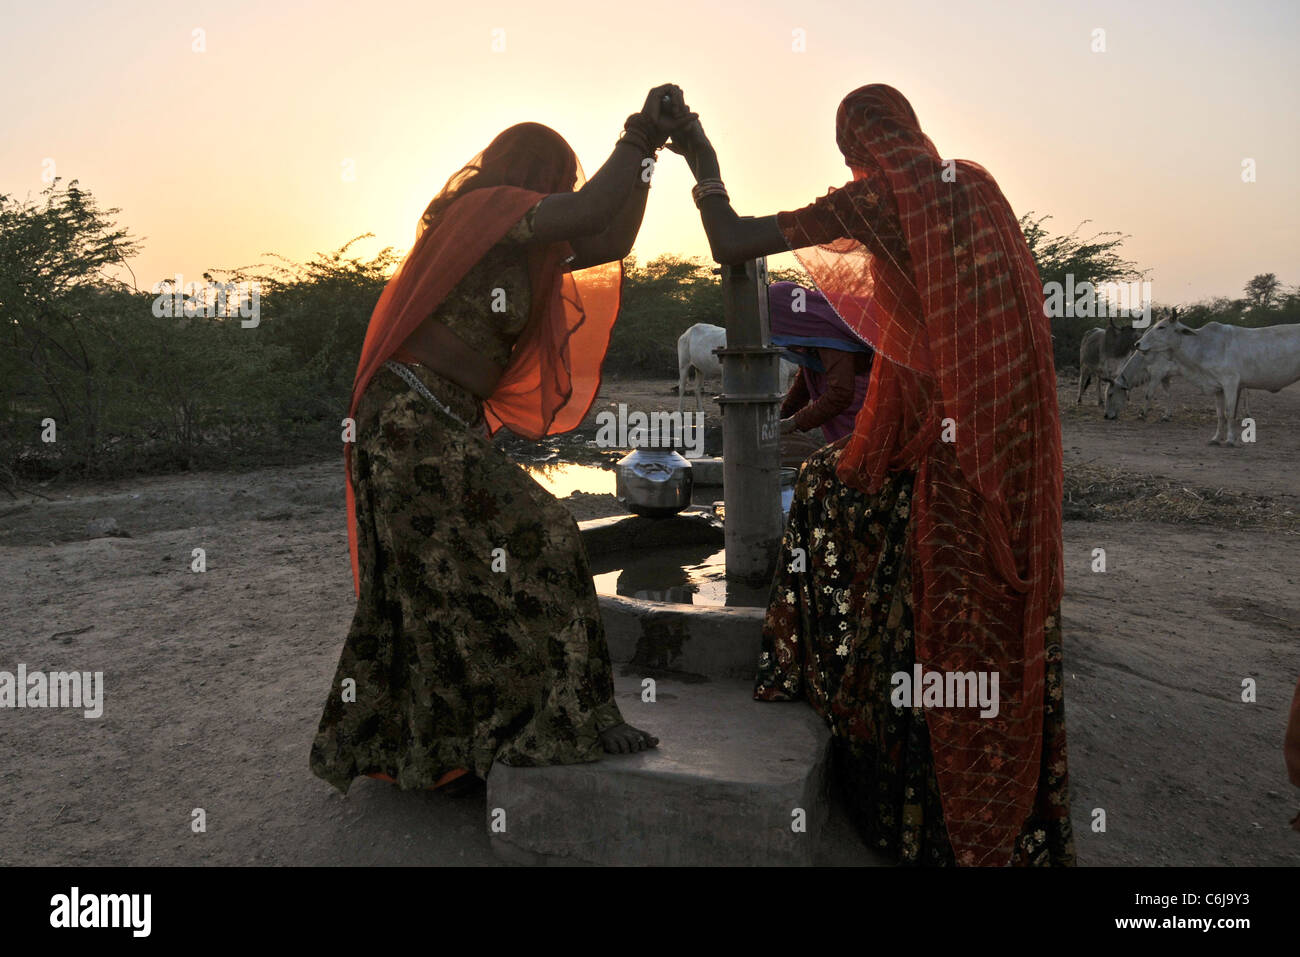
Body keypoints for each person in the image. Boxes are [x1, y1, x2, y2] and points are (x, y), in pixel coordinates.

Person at [669, 84, 1074, 865]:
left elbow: (731, 242)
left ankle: (901, 777)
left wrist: (704, 161)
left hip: (942, 452)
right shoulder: (974, 187)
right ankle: (997, 794)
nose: (853, 165)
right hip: (1008, 446)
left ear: (858, 147)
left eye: (849, 152)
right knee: (982, 615)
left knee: (833, 505)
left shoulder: (871, 204)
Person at [310, 86, 696, 796]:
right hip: (407, 419)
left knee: (441, 577)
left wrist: (653, 160)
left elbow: (611, 238)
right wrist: (638, 131)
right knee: (545, 531)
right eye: (560, 178)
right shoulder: (485, 213)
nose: (568, 191)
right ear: (532, 173)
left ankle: (450, 744)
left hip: (441, 422)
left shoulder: (531, 247)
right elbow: (586, 213)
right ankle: (569, 712)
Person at [768, 280, 872, 468]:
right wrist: (781, 418)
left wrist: (794, 422)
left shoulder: (827, 332)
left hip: (860, 411)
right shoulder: (810, 336)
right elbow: (804, 385)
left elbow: (841, 394)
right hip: (846, 415)